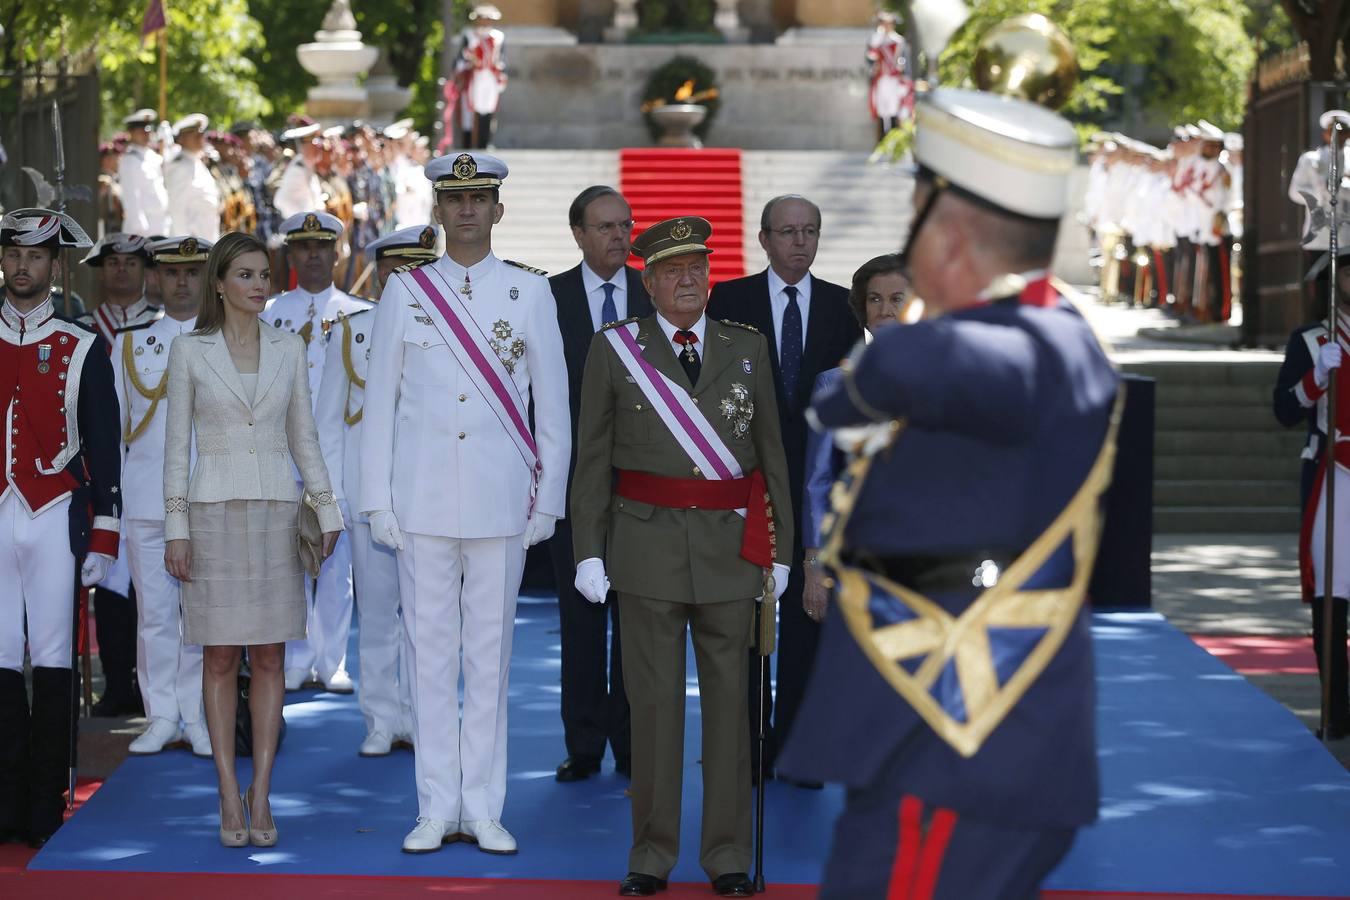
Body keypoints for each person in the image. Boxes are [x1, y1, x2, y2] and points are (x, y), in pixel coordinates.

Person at [777, 83, 1120, 898]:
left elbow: (861, 391)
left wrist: (898, 353)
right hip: (947, 730)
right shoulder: (1052, 330)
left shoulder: (989, 350)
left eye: (917, 211)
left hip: (953, 735)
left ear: (952, 232)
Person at [570, 216, 793, 898]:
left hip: (732, 552)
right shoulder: (616, 349)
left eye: (698, 267)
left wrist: (782, 550)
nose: (688, 280)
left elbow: (772, 457)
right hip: (645, 551)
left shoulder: (747, 347)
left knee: (731, 714)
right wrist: (587, 551)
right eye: (672, 271)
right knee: (654, 711)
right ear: (649, 283)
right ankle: (651, 854)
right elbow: (592, 459)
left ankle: (727, 856)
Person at [359, 151, 569, 855]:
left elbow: (553, 410)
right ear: (440, 210)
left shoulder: (529, 293)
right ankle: (433, 806)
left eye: (480, 198)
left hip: (501, 501)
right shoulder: (405, 291)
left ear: (498, 209)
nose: (469, 209)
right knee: (427, 659)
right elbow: (379, 404)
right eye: (456, 199)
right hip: (419, 502)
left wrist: (548, 501)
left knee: (489, 660)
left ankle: (482, 807)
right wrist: (376, 499)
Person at [163, 231, 343, 848]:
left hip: (275, 510)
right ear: (219, 283)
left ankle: (261, 791)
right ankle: (225, 789)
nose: (259, 285)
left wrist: (326, 509)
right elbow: (175, 450)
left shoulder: (290, 348)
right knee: (218, 656)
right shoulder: (189, 351)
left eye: (264, 274)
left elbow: (304, 437)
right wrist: (176, 528)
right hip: (210, 512)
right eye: (245, 275)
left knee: (269, 655)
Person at [706, 194, 859, 786]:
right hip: (746, 483)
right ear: (764, 239)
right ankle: (747, 748)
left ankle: (799, 748)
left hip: (814, 487)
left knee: (807, 619)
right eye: (788, 232)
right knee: (745, 619)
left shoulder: (841, 307)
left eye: (809, 231)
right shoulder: (731, 300)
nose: (799, 242)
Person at [0, 208, 122, 848]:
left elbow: (105, 445)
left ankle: (45, 803)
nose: (23, 266)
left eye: (35, 256)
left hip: (53, 515)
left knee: (51, 660)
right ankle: (4, 802)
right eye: (13, 254)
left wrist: (105, 532)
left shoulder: (82, 345)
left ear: (54, 264)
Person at [315, 226, 436, 757]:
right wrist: (333, 499)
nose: (406, 278)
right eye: (396, 269)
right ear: (380, 274)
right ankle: (382, 719)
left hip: (432, 497)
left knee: (429, 620)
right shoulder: (352, 332)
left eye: (418, 267)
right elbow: (327, 423)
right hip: (371, 499)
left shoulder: (449, 329)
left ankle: (423, 716)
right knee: (379, 615)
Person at [547, 185, 651, 783]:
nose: (619, 236)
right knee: (581, 619)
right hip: (571, 482)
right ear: (579, 234)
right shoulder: (548, 296)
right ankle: (584, 744)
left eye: (625, 225)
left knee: (635, 620)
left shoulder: (652, 291)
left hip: (641, 483)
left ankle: (633, 742)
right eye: (606, 226)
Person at [114, 235, 213, 757]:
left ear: (207, 278)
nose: (182, 282)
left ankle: (196, 714)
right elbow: (113, 432)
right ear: (156, 278)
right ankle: (161, 715)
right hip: (148, 497)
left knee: (199, 616)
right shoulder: (130, 343)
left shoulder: (229, 340)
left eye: (193, 272)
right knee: (154, 614)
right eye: (172, 272)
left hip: (207, 498)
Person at [266, 210, 372, 694]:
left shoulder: (359, 313)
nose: (313, 255)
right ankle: (295, 658)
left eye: (321, 247)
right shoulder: (269, 313)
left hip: (336, 454)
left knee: (334, 564)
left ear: (337, 253)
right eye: (303, 247)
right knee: (285, 563)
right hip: (280, 453)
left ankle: (333, 661)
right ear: (291, 254)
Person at [800, 254, 909, 624]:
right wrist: (814, 563)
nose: (885, 310)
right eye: (874, 299)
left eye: (897, 299)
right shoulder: (833, 385)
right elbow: (818, 482)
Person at [79, 232, 161, 716]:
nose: (122, 270)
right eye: (113, 263)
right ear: (101, 271)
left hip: (149, 466)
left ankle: (156, 685)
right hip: (99, 468)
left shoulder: (162, 328)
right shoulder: (82, 330)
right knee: (109, 578)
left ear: (145, 270)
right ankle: (116, 683)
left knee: (156, 582)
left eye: (132, 263)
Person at [1274, 246, 1350, 741]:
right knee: (1331, 593)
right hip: (1332, 473)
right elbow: (1283, 411)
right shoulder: (1310, 340)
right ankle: (1336, 711)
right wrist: (1317, 376)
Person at [1289, 110, 1350, 306]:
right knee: (1320, 290)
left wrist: (1341, 189)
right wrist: (1318, 192)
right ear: (1325, 134)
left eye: (1341, 131)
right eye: (1332, 131)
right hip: (1319, 235)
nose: (1336, 136)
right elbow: (1294, 191)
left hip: (1346, 234)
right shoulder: (1311, 159)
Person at [453, 5, 507, 149]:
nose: (484, 22)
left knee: (488, 108)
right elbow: (461, 58)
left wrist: (501, 73)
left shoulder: (498, 37)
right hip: (474, 77)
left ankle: (485, 142)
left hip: (491, 77)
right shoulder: (469, 36)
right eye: (482, 19)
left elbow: (502, 58)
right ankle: (469, 144)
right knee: (471, 109)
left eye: (487, 19)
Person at [164, 114, 221, 241]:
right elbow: (177, 211)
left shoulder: (196, 162)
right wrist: (184, 246)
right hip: (192, 243)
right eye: (195, 135)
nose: (200, 137)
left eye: (201, 134)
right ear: (182, 139)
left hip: (206, 236)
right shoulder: (180, 167)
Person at [118, 109, 170, 237]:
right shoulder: (129, 160)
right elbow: (131, 195)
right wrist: (139, 229)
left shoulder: (150, 155)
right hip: (143, 228)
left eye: (148, 131)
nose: (146, 135)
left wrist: (166, 141)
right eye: (141, 132)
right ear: (131, 133)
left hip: (159, 223)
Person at [866, 11, 914, 141]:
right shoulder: (876, 40)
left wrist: (905, 79)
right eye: (884, 23)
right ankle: (882, 140)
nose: (887, 26)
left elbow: (905, 62)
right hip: (881, 80)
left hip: (895, 81)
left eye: (889, 23)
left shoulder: (899, 41)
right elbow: (870, 59)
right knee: (882, 111)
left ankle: (893, 140)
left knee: (895, 110)